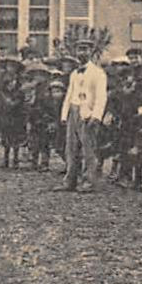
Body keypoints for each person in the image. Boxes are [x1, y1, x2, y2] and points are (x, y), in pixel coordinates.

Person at [54, 36, 108, 194]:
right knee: (70, 148)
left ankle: (88, 181)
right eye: (79, 49)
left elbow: (101, 97)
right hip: (73, 110)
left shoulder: (98, 73)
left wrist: (96, 116)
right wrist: (64, 115)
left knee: (88, 149)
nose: (82, 53)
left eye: (85, 49)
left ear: (91, 52)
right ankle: (70, 181)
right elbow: (69, 94)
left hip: (87, 113)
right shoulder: (74, 73)